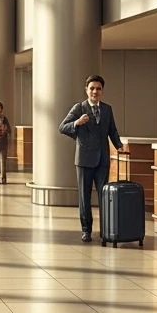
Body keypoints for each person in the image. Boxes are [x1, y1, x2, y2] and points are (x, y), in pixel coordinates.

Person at [60, 74, 125, 243]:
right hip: (84, 160)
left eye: (98, 89)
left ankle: (106, 230)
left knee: (105, 196)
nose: (95, 91)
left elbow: (113, 130)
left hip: (102, 159)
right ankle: (86, 230)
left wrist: (119, 145)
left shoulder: (107, 109)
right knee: (85, 197)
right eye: (92, 89)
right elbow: (62, 127)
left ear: (102, 91)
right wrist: (77, 123)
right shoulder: (79, 108)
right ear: (86, 90)